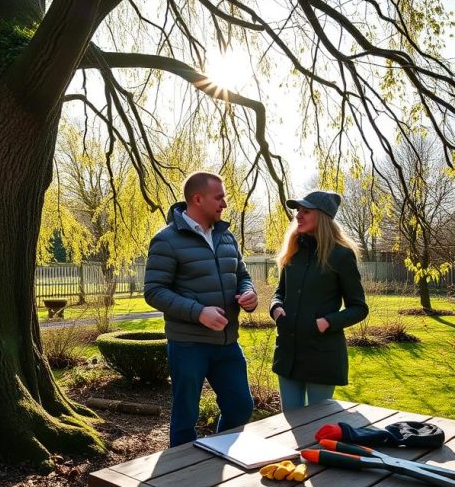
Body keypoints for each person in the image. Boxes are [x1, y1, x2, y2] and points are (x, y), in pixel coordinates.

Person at [144, 171, 258, 447]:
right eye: (219, 197)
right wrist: (198, 312)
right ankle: (178, 479)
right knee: (186, 417)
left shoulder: (226, 236)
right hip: (188, 344)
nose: (224, 204)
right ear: (197, 198)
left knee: (241, 407)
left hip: (228, 342)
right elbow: (154, 291)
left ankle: (219, 455)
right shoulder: (166, 240)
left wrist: (248, 292)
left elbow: (242, 274)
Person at [269, 190, 368, 411]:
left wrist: (326, 323)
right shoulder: (292, 253)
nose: (298, 216)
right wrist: (275, 307)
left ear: (322, 216)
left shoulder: (341, 255)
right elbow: (280, 292)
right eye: (297, 211)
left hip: (321, 356)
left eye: (306, 211)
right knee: (290, 427)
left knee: (318, 429)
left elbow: (359, 308)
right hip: (288, 353)